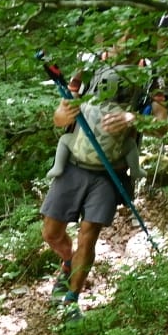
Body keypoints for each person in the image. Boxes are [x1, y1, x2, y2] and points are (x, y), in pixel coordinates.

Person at [41, 63, 144, 322]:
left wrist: (133, 118)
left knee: (88, 236)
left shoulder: (149, 73)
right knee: (51, 233)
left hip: (110, 172)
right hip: (73, 166)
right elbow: (59, 119)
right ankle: (68, 262)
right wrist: (66, 113)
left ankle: (71, 300)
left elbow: (162, 125)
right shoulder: (88, 68)